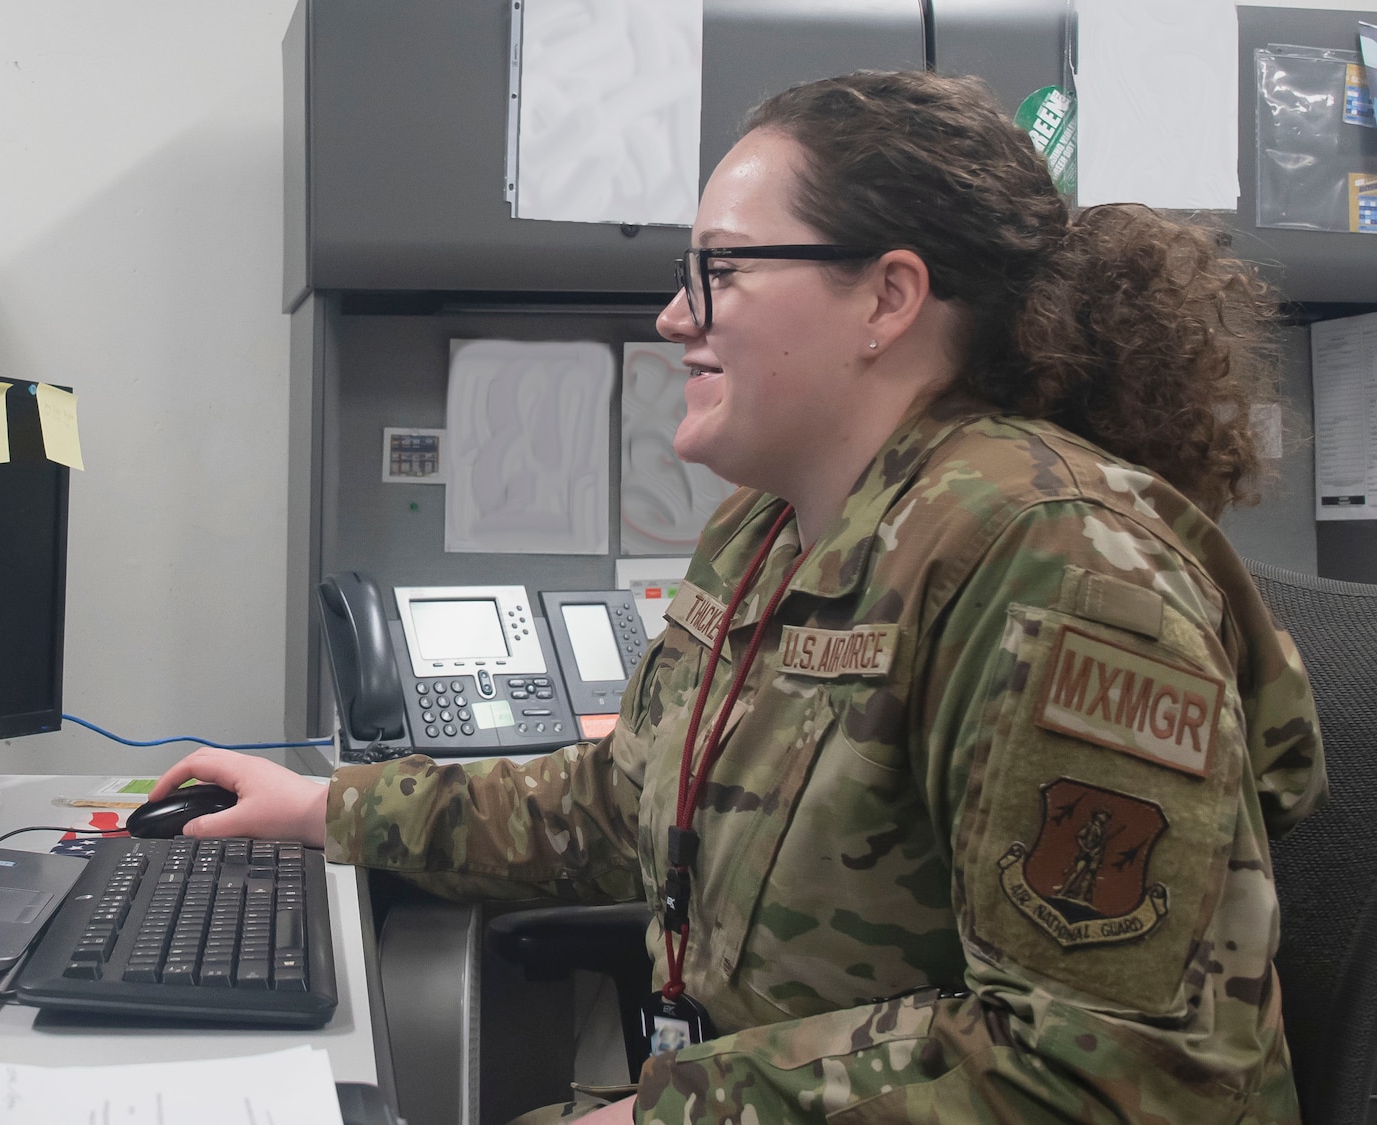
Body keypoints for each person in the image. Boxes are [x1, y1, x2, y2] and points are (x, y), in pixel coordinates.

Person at [152, 70, 1324, 1123]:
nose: (674, 316)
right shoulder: (768, 529)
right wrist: (327, 810)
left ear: (886, 297)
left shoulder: (1052, 560)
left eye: (717, 268)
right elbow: (624, 807)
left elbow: (1103, 1068)